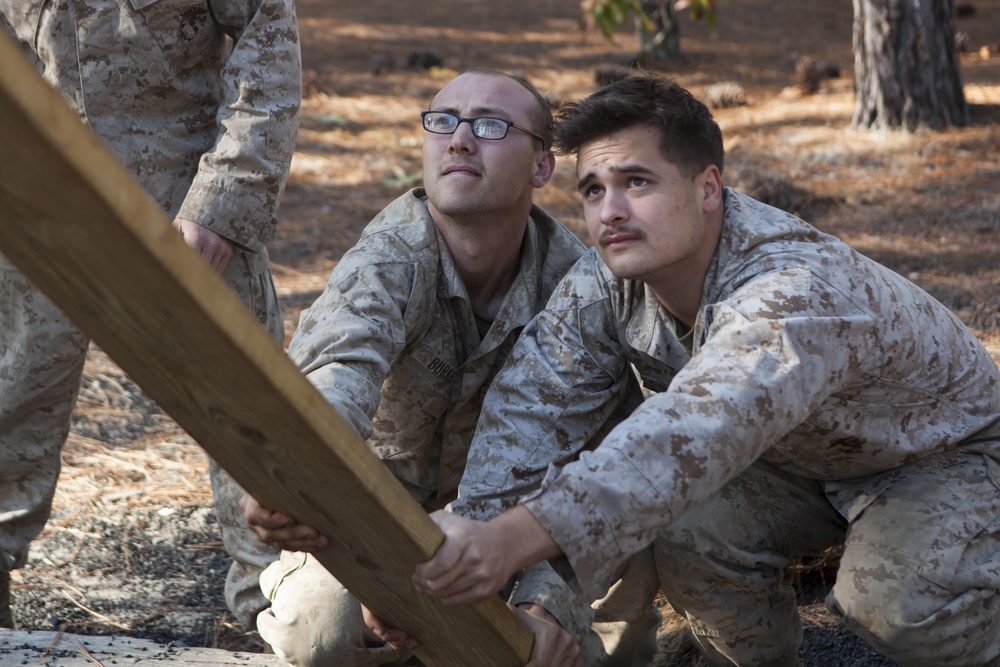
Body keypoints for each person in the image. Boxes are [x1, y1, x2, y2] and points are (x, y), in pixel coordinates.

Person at [413, 74, 1000, 667]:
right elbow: (527, 418)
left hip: (941, 455)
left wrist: (507, 542)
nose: (610, 211)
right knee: (689, 534)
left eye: (636, 182)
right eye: (592, 190)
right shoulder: (604, 281)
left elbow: (691, 431)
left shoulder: (790, 288)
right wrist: (461, 563)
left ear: (708, 188)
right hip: (798, 459)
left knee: (896, 603)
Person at [240, 68, 612, 667]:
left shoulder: (578, 286)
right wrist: (297, 470)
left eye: (490, 126)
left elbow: (591, 463)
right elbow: (336, 371)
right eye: (442, 122)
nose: (459, 140)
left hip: (515, 530)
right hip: (373, 516)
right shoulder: (390, 257)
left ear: (543, 167)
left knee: (566, 654)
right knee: (320, 634)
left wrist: (545, 608)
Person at [0, 0, 301, 631]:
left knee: (251, 407)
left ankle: (278, 597)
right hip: (33, 194)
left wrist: (224, 201)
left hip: (183, 202)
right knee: (11, 390)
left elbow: (266, 36)